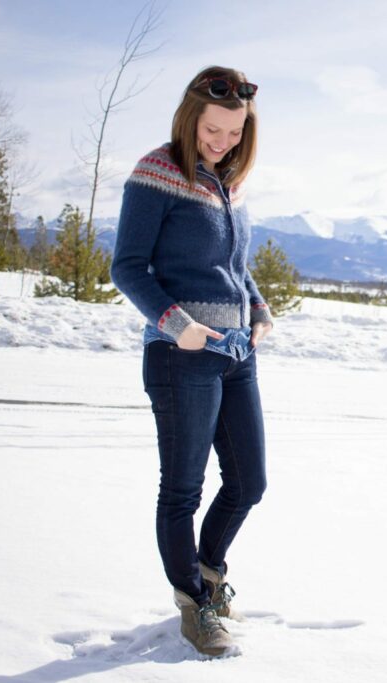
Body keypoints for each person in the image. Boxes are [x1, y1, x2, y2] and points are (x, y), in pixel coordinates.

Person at [110, 66, 272, 657]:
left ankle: (208, 571)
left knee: (249, 483)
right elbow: (127, 267)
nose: (222, 141)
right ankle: (193, 603)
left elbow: (233, 265)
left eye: (234, 132)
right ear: (189, 117)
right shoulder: (157, 172)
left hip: (236, 354)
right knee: (182, 489)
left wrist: (257, 307)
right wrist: (180, 328)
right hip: (182, 356)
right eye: (213, 129)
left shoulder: (231, 181)